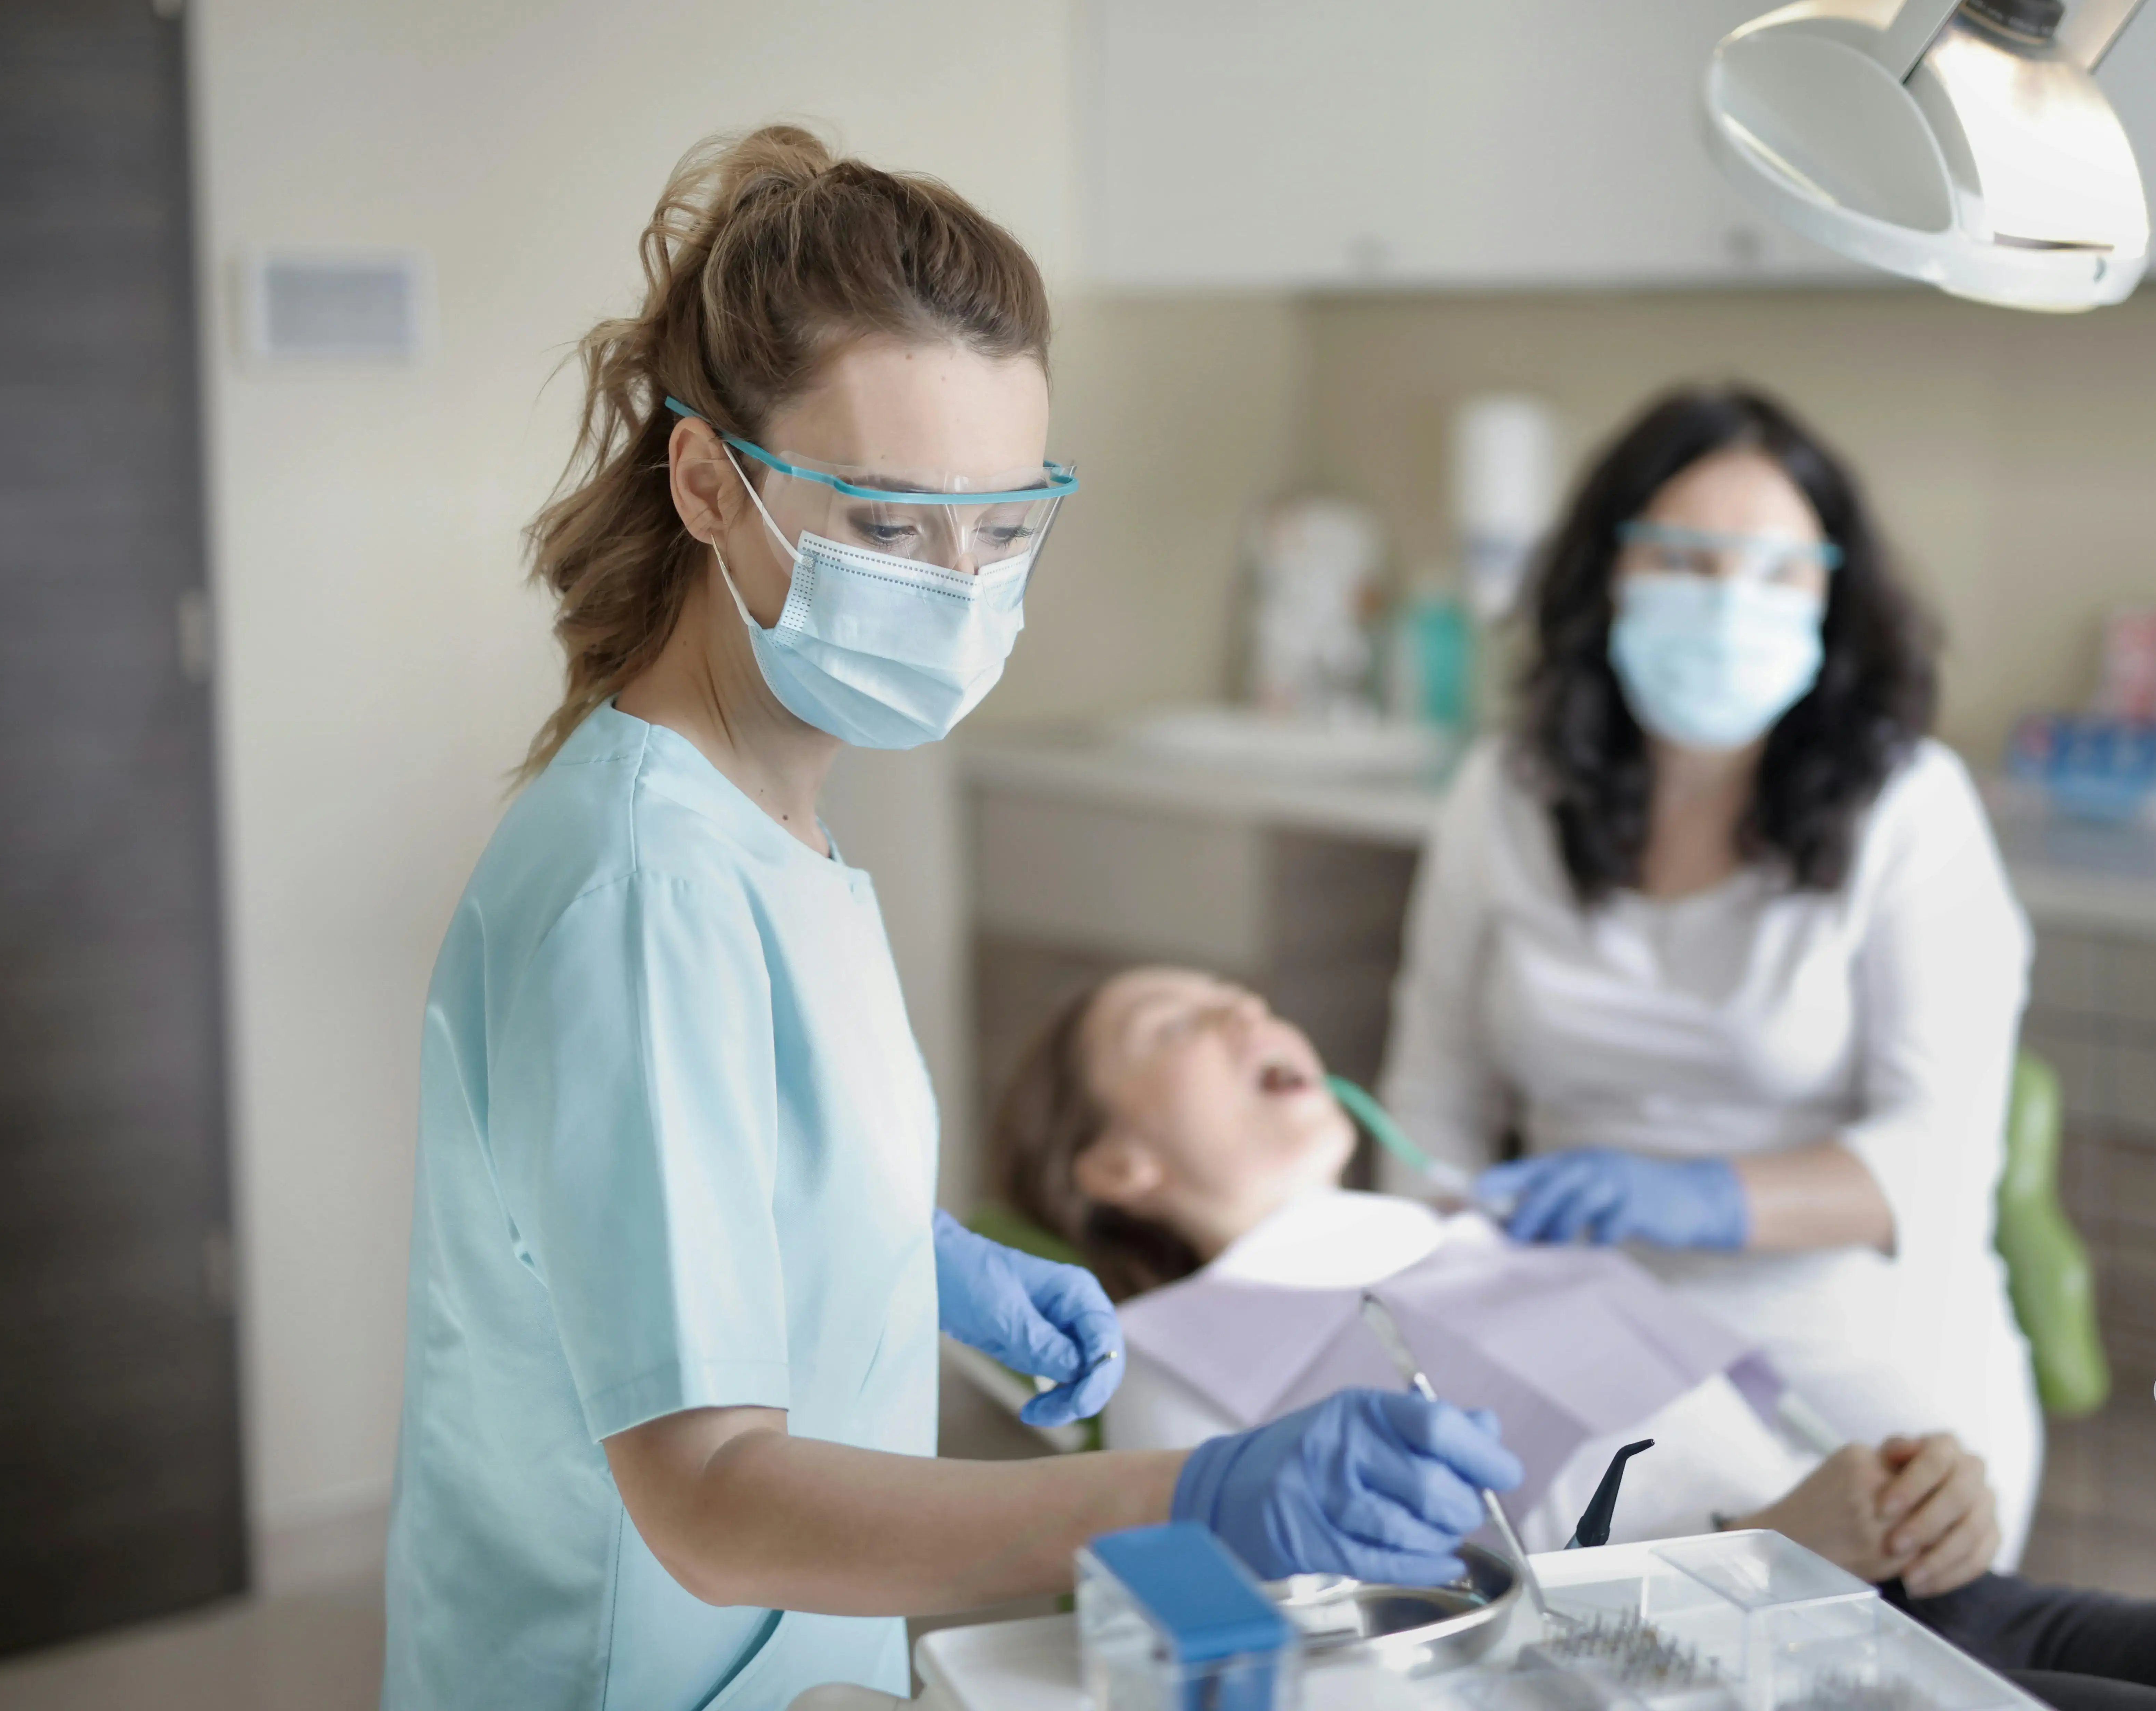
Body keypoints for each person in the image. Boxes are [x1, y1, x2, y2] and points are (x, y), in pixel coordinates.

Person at [380, 127, 1518, 1711]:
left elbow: (675, 1175)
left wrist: (901, 1254)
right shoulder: (648, 886)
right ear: (708, 483)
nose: (960, 584)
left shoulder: (769, 818)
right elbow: (710, 1496)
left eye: (1003, 524)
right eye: (890, 524)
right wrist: (1190, 1496)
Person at [989, 964, 2156, 1711]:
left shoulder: (1480, 1236)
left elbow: (1761, 1449)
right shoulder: (1177, 1355)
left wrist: (1920, 1488)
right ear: (1112, 1168)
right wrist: (1762, 1551)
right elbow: (1362, 1675)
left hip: (1950, 1594)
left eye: (1244, 994)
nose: (1247, 1011)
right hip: (1742, 1680)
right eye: (1172, 1023)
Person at [1378, 384, 2048, 1558]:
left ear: (1834, 594)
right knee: (1568, 1607)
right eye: (1686, 561)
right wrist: (1439, 1284)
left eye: (1777, 569)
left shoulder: (1913, 809)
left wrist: (1697, 1199)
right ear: (1609, 573)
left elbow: (1938, 1159)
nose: (1731, 601)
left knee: (1892, 1591)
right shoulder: (1508, 795)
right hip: (1571, 1317)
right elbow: (1431, 1099)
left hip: (1847, 1322)